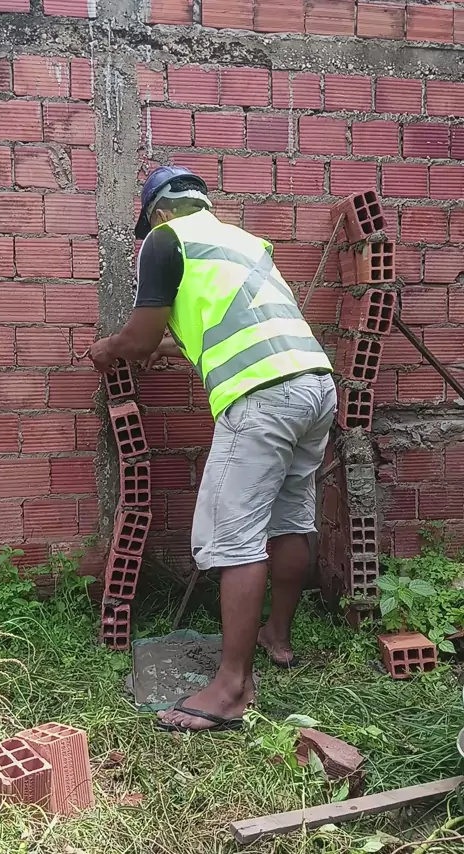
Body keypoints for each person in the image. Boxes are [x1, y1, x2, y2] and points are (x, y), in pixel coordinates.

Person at [90, 166, 337, 734]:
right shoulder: (245, 242)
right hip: (314, 385)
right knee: (290, 518)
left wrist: (110, 349)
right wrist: (165, 346)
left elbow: (139, 337)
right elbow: (225, 325)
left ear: (157, 212)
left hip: (261, 396)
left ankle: (230, 690)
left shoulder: (164, 240)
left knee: (232, 536)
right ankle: (277, 638)